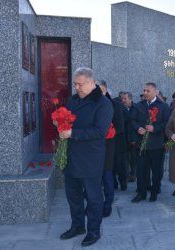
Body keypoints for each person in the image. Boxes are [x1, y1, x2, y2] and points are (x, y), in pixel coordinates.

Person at [59, 67, 113, 247]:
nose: (77, 88)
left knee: (93, 198)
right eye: (75, 84)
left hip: (90, 159)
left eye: (80, 84)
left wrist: (72, 133)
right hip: (71, 157)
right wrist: (58, 122)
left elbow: (100, 131)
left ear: (92, 83)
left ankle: (93, 231)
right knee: (73, 195)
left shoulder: (103, 103)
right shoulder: (73, 100)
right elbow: (66, 118)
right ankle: (77, 226)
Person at [131, 82, 170, 203]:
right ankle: (141, 193)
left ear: (155, 92)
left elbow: (167, 123)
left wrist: (155, 128)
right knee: (141, 170)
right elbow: (132, 120)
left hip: (156, 145)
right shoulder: (139, 105)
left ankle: (154, 191)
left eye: (148, 91)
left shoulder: (163, 106)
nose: (145, 93)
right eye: (144, 90)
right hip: (141, 144)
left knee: (156, 170)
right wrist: (138, 128)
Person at [98, 80, 124, 217]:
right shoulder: (90, 104)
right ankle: (94, 204)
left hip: (108, 145)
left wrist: (107, 131)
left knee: (107, 176)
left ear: (106, 90)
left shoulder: (116, 105)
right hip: (92, 147)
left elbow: (120, 127)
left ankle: (107, 204)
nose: (99, 92)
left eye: (101, 89)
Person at [121, 92, 139, 183]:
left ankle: (133, 174)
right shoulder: (120, 108)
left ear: (130, 99)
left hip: (133, 138)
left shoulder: (136, 108)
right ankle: (126, 175)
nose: (123, 101)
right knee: (124, 158)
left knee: (133, 158)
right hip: (123, 137)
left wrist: (135, 138)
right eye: (122, 99)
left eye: (125, 99)